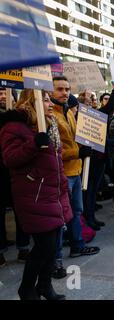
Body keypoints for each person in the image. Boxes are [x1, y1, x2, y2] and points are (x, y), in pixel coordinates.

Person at [0, 89, 73, 300]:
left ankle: (44, 286)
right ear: (31, 102)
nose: (50, 104)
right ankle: (26, 289)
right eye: (45, 99)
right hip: (35, 194)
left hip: (54, 194)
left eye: (50, 100)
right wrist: (34, 144)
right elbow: (10, 159)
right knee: (44, 247)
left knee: (52, 248)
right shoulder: (13, 127)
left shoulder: (49, 125)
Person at [51, 76, 100, 279]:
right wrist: (77, 153)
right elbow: (53, 150)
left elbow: (74, 140)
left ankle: (78, 245)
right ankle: (56, 261)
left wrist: (83, 148)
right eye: (60, 89)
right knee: (60, 218)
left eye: (67, 89)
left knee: (76, 211)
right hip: (61, 172)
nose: (64, 92)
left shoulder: (68, 112)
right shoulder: (49, 114)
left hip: (76, 170)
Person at [82, 81, 114, 231]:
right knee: (88, 191)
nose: (91, 102)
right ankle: (87, 218)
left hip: (100, 158)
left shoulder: (97, 115)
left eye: (92, 100)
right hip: (87, 159)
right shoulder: (79, 116)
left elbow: (110, 107)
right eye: (87, 100)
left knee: (93, 190)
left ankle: (91, 217)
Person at [0, 88, 30, 267]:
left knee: (21, 211)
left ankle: (24, 246)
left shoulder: (21, 119)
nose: (3, 96)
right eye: (0, 93)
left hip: (17, 171)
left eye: (6, 92)